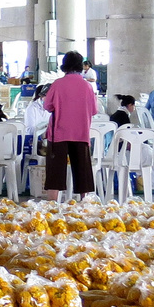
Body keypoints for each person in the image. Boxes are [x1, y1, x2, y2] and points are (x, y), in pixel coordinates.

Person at [44, 50, 98, 199]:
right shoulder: (87, 86)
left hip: (59, 132)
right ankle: (84, 202)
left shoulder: (57, 84)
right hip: (81, 132)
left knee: (55, 170)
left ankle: (52, 204)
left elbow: (47, 106)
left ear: (64, 66)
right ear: (81, 66)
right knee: (83, 169)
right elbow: (94, 110)